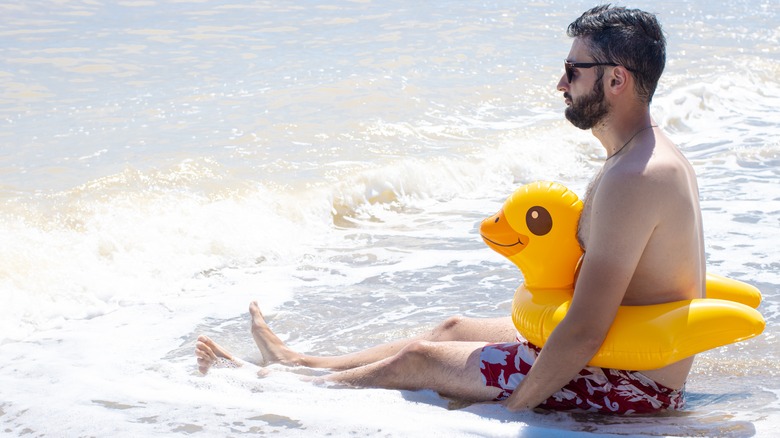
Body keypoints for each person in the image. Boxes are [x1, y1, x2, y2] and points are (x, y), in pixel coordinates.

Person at [196, 5, 702, 414]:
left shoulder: (636, 177)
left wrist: (515, 411)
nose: (560, 83)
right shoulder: (638, 158)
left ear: (616, 80)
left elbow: (587, 329)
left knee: (419, 360)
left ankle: (263, 389)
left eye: (573, 70)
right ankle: (299, 362)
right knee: (452, 329)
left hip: (634, 390)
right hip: (615, 361)